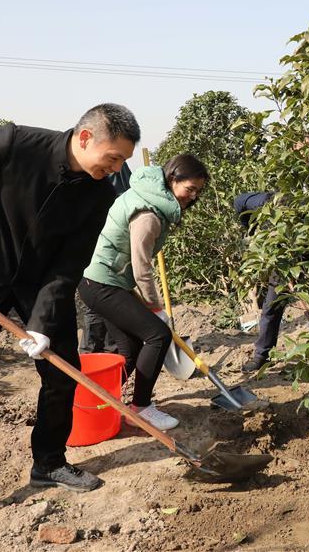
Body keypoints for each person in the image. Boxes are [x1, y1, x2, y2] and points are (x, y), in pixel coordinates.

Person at [0, 104, 139, 544]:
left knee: (61, 376)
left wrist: (42, 322)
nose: (116, 168)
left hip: (39, 286)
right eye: (113, 157)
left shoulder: (100, 193)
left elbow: (68, 264)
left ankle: (49, 462)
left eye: (122, 161)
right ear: (85, 138)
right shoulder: (14, 143)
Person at [78, 155, 208, 431]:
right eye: (190, 188)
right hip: (103, 283)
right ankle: (141, 408)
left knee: (130, 349)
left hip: (102, 282)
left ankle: (91, 397)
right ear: (172, 179)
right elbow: (141, 268)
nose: (193, 196)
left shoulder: (147, 196)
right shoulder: (148, 214)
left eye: (198, 191)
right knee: (157, 335)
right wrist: (155, 308)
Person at [233, 191, 309, 373]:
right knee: (272, 304)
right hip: (282, 254)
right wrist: (253, 230)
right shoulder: (262, 202)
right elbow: (239, 202)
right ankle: (262, 356)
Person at [78, 161, 132, 354]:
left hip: (110, 242)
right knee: (98, 300)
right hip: (99, 243)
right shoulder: (97, 168)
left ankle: (105, 351)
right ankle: (93, 352)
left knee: (107, 299)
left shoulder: (117, 167)